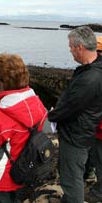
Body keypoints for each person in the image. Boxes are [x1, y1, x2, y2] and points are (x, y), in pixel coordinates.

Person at [0, 53, 48, 203]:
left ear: (2, 82)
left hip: (2, 175)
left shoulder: (0, 115)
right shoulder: (38, 105)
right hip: (26, 168)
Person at [48, 26, 102, 203]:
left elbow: (70, 108)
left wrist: (51, 115)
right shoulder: (93, 68)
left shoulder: (91, 78)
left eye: (71, 46)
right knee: (73, 175)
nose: (70, 50)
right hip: (84, 132)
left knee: (71, 178)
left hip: (76, 136)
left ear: (80, 47)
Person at [85, 35, 102, 202]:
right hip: (95, 126)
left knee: (99, 157)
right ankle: (89, 176)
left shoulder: (96, 74)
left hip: (99, 128)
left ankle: (98, 192)